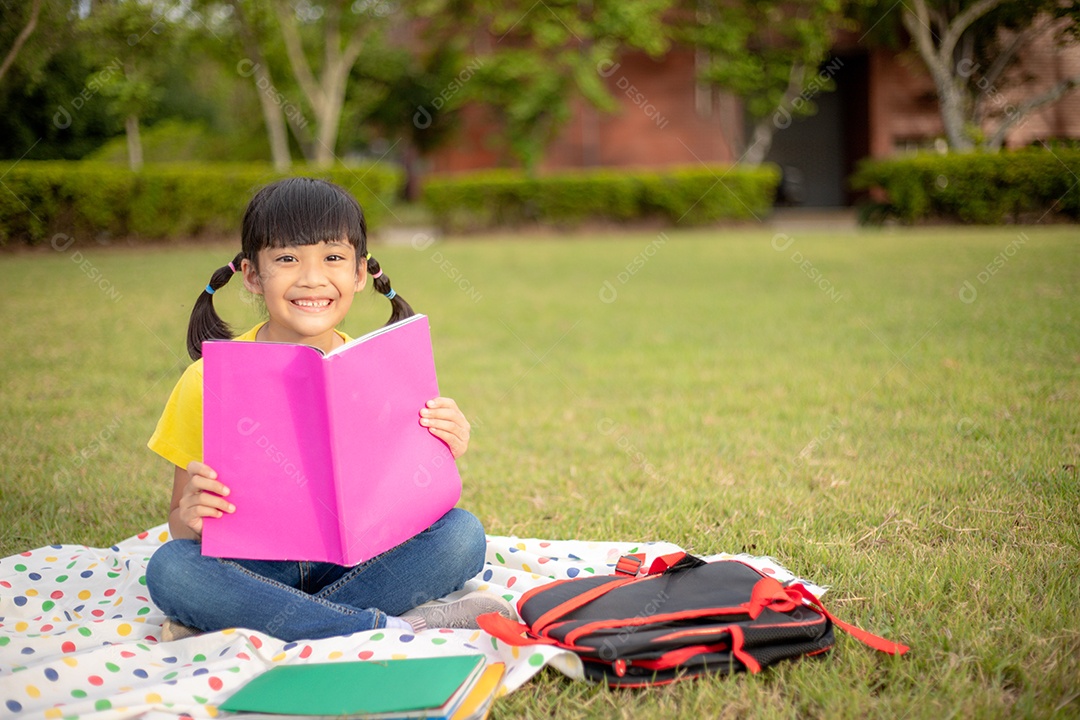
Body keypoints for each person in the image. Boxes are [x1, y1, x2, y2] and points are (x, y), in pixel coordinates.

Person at [144, 177, 512, 642]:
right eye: (286, 259)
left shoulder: (382, 368)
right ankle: (385, 626)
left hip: (359, 560)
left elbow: (408, 499)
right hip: (255, 565)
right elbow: (180, 523)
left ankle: (260, 619)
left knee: (462, 535)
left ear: (360, 274)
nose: (312, 279)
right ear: (252, 275)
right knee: (171, 569)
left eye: (332, 258)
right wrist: (191, 516)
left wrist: (443, 448)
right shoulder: (207, 379)